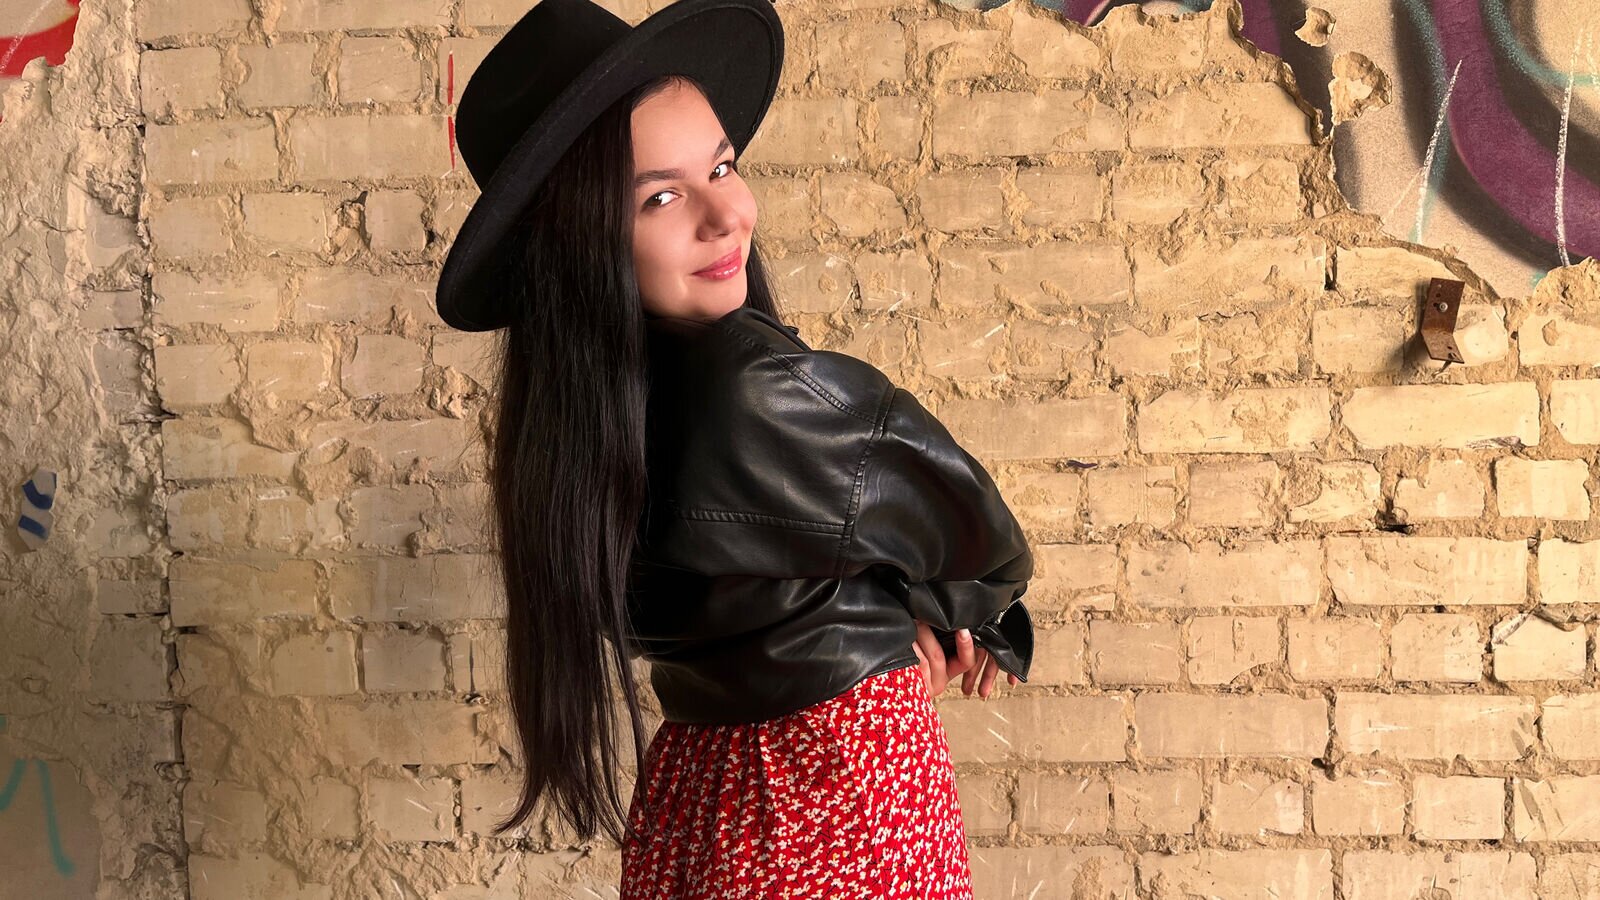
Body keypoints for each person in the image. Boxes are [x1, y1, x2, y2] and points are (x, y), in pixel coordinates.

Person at [435, 1, 1036, 896]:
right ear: (579, 241)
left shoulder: (571, 433)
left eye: (722, 167)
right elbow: (986, 549)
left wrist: (881, 622)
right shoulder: (760, 388)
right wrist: (933, 621)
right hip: (831, 797)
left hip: (695, 801)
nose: (725, 216)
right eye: (661, 196)